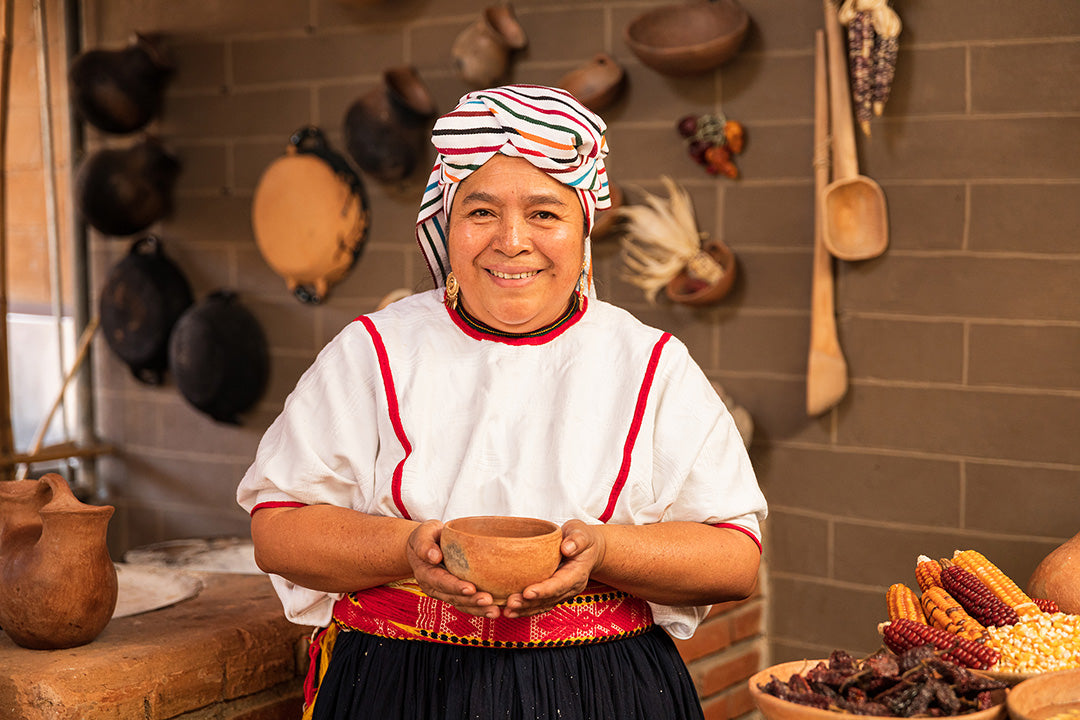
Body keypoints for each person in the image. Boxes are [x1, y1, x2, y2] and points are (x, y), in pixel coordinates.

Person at [237, 84, 767, 720]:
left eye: (544, 213)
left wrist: (603, 551)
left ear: (584, 227)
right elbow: (278, 531)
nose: (511, 241)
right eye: (481, 211)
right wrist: (408, 548)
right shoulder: (373, 351)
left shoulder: (649, 362)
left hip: (606, 692)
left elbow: (735, 560)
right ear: (447, 223)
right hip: (398, 687)